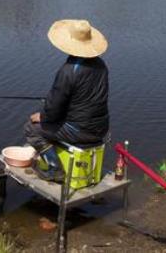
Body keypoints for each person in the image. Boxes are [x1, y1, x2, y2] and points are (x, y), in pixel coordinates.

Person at [24, 19, 110, 182]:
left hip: (80, 132)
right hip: (101, 129)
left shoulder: (68, 71)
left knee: (31, 128)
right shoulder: (101, 65)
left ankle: (55, 169)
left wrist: (42, 116)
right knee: (54, 121)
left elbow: (53, 108)